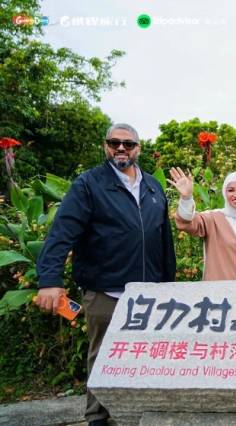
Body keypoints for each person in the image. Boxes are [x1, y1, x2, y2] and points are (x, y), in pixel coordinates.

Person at [35, 123, 176, 426]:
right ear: (106, 146)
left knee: (146, 355)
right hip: (106, 290)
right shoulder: (89, 184)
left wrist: (168, 286)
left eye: (128, 144)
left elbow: (164, 239)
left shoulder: (153, 186)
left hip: (149, 294)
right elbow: (62, 232)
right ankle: (97, 416)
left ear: (138, 148)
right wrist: (49, 280)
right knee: (103, 356)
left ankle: (139, 411)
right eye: (114, 143)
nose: (121, 148)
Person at [170, 169, 236, 280]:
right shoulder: (212, 218)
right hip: (217, 289)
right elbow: (186, 223)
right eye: (231, 190)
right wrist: (186, 198)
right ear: (224, 192)